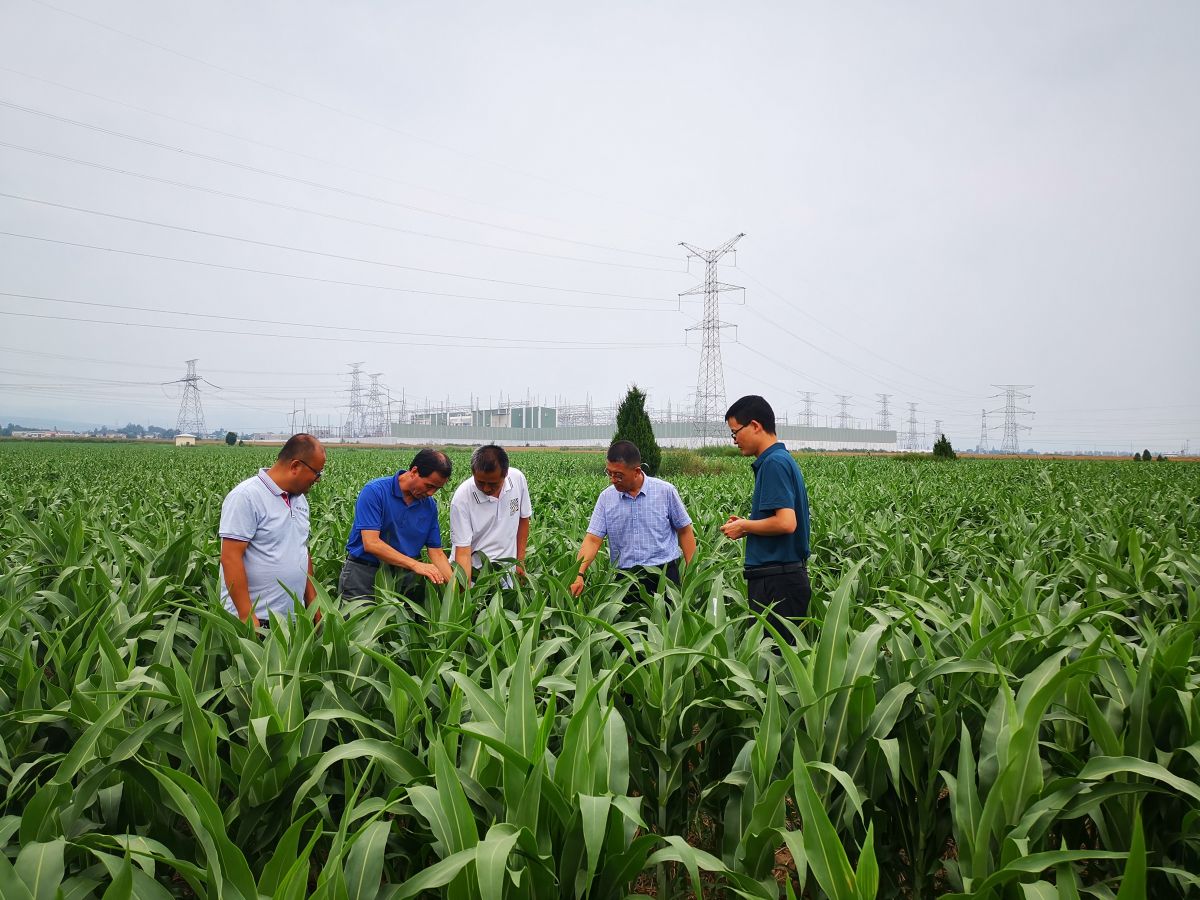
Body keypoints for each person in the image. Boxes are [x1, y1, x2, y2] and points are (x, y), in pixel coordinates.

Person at [720, 395, 812, 642]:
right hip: (782, 579)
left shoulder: (774, 463)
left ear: (755, 426)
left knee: (773, 667)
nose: (734, 440)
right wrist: (748, 527)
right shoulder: (781, 460)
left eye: (735, 431)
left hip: (778, 583)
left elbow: (786, 522)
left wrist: (744, 526)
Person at [219, 433, 325, 626]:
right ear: (295, 466)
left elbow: (302, 550)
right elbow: (230, 557)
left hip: (293, 619)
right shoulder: (246, 496)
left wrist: (313, 604)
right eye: (317, 473)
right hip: (258, 619)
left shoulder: (300, 500)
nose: (318, 479)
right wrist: (246, 615)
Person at [570, 440, 696, 597]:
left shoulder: (665, 491)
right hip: (624, 579)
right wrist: (579, 573)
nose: (613, 479)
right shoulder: (606, 498)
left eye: (618, 475)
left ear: (636, 471)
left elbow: (684, 530)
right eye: (609, 473)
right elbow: (593, 539)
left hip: (664, 575)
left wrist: (691, 573)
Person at [339, 448, 455, 601]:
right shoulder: (375, 492)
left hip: (404, 578)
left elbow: (437, 553)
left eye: (437, 489)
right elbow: (371, 543)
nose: (431, 493)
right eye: (428, 486)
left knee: (402, 624)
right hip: (363, 574)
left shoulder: (429, 506)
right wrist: (415, 565)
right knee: (358, 621)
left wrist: (457, 590)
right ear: (414, 471)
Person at [449, 444, 531, 585]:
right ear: (473, 472)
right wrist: (465, 590)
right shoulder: (462, 498)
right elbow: (462, 551)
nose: (486, 488)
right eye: (480, 482)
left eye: (493, 483)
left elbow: (523, 520)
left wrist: (520, 562)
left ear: (505, 474)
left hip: (507, 572)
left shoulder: (517, 479)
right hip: (475, 575)